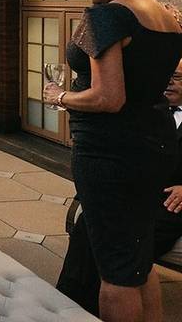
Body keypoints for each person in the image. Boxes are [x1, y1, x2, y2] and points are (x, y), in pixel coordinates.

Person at [42, 0, 182, 322]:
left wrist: (61, 98)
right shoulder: (166, 17)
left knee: (115, 271)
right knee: (138, 260)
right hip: (153, 145)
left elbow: (108, 98)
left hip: (110, 154)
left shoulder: (107, 15)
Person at [57, 59, 182, 316]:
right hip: (136, 190)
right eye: (166, 75)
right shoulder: (148, 112)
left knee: (121, 241)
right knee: (88, 225)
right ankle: (68, 304)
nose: (168, 82)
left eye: (177, 77)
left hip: (171, 202)